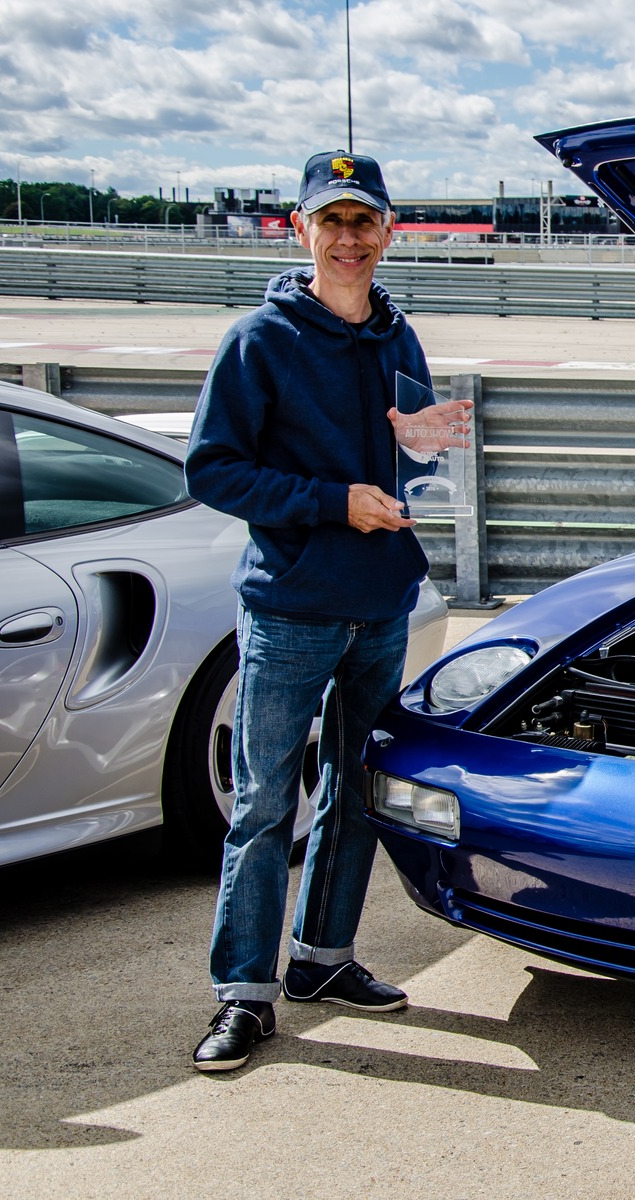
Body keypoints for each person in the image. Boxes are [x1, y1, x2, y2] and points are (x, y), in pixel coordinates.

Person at [184, 150, 470, 1072]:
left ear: (388, 232)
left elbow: (412, 456)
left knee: (354, 788)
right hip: (294, 605)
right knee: (267, 802)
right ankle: (243, 993)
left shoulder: (399, 337)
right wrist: (330, 501)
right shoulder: (258, 341)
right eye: (332, 221)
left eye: (364, 221)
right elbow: (213, 469)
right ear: (300, 229)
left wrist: (427, 456)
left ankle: (322, 959)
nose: (349, 238)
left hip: (381, 600)